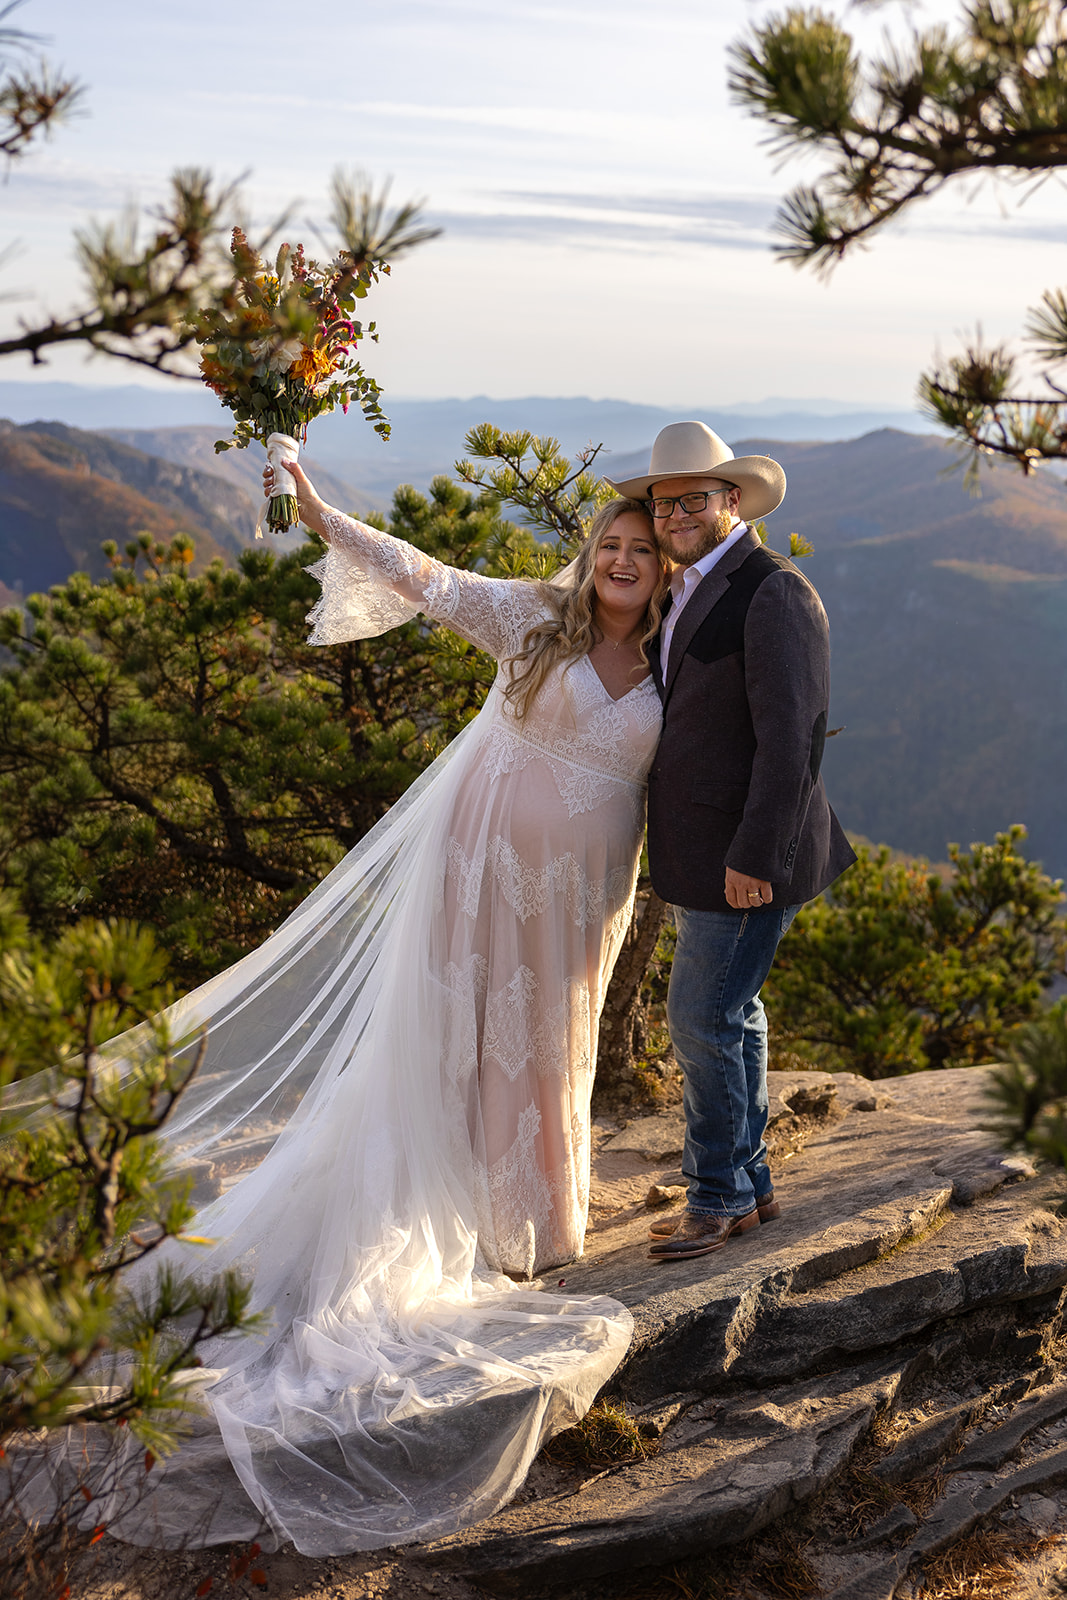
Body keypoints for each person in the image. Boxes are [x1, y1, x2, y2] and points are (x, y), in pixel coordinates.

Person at [86, 468, 669, 1554]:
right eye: (609, 547)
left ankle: (531, 1216)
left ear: (667, 566)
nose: (623, 563)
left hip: (584, 892)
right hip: (478, 862)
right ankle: (454, 1208)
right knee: (463, 1040)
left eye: (642, 550)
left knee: (548, 1043)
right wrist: (314, 509)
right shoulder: (535, 616)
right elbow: (426, 576)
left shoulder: (677, 656)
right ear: (589, 557)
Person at [606, 422, 856, 1263]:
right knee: (733, 1015)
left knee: (700, 1018)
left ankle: (712, 1197)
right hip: (699, 851)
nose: (673, 514)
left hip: (742, 857)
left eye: (691, 498)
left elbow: (794, 739)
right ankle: (747, 1186)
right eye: (661, 501)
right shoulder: (684, 588)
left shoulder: (772, 590)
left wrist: (756, 855)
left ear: (732, 500)